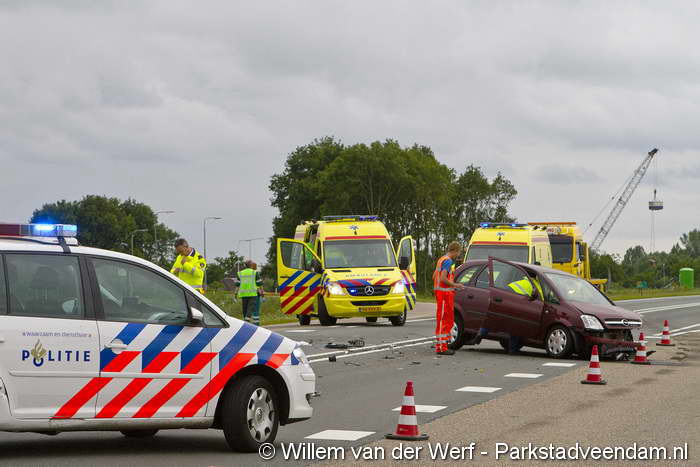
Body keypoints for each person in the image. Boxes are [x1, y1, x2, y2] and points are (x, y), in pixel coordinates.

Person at [465, 269, 543, 354]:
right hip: (515, 302)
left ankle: (481, 333)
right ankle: (512, 349)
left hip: (505, 294)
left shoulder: (522, 280)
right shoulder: (537, 285)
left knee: (494, 318)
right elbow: (541, 299)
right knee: (516, 325)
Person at [433, 241, 465, 356]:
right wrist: (455, 285)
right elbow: (442, 278)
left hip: (443, 294)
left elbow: (434, 276)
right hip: (444, 295)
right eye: (459, 252)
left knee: (446, 320)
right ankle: (441, 347)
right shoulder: (448, 261)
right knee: (444, 320)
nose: (458, 255)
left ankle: (443, 345)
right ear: (455, 250)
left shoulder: (441, 259)